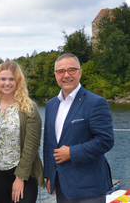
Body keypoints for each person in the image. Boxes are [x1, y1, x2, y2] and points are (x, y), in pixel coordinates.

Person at [43, 53, 114, 202]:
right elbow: (49, 143)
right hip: (61, 186)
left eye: (71, 70)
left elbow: (105, 140)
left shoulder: (96, 102)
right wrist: (50, 175)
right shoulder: (51, 105)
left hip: (89, 187)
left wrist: (71, 152)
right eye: (61, 71)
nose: (66, 75)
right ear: (56, 75)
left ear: (80, 72)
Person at [0, 61, 45, 203]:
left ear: (18, 81)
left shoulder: (29, 108)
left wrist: (20, 177)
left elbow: (32, 145)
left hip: (24, 173)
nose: (7, 83)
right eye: (3, 79)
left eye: (11, 79)